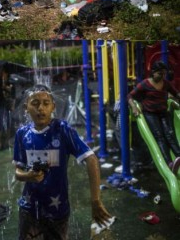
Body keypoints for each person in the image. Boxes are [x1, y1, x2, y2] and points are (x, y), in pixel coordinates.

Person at [13, 85, 112, 239]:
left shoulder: (62, 130)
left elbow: (91, 159)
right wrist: (28, 176)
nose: (41, 108)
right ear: (26, 107)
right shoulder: (22, 134)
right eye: (35, 103)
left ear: (53, 106)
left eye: (46, 103)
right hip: (29, 207)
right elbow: (18, 172)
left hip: (57, 208)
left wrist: (95, 200)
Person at [128, 60, 180, 173]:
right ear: (153, 72)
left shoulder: (165, 83)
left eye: (164, 74)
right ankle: (169, 163)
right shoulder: (145, 84)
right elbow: (130, 96)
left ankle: (179, 156)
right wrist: (134, 107)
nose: (162, 76)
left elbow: (176, 94)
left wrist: (176, 100)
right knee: (159, 136)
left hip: (162, 112)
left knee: (170, 134)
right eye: (160, 73)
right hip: (150, 113)